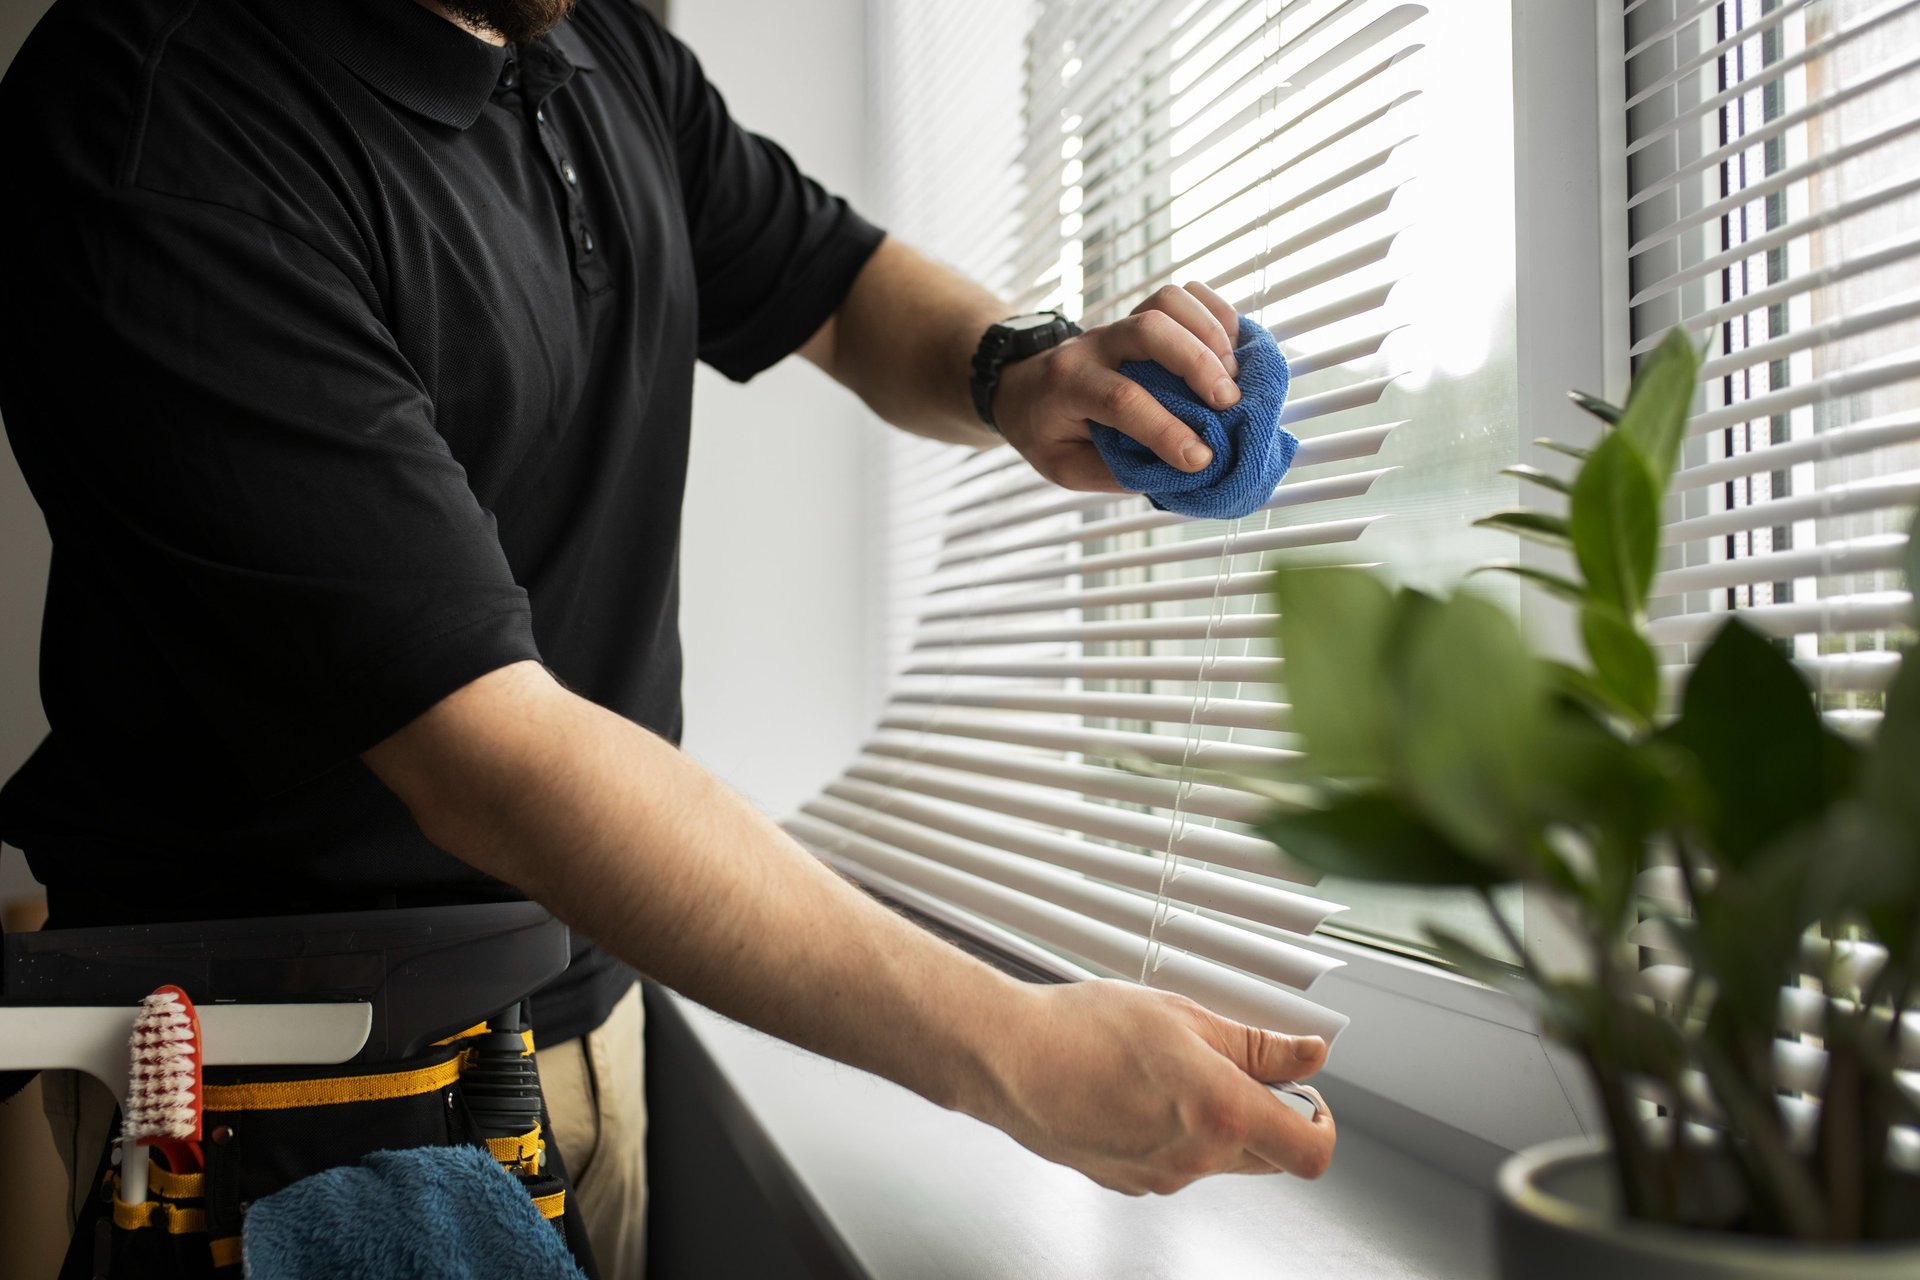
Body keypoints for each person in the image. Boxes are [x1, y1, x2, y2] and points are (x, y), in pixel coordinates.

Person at [0, 0, 1337, 1272]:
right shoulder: (158, 115)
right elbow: (489, 753)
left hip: (582, 1036)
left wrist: (1022, 369)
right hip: (258, 1106)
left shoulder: (596, 47)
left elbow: (836, 284)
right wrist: (1017, 1054)